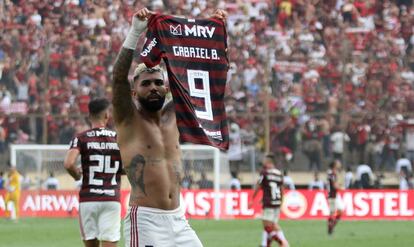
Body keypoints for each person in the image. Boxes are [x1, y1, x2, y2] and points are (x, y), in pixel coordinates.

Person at [111, 8, 227, 247]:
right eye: (146, 84)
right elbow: (117, 77)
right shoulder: (128, 119)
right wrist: (135, 32)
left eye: (157, 82)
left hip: (179, 218)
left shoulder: (175, 114)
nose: (153, 87)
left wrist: (214, 34)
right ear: (134, 91)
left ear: (166, 87)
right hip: (145, 221)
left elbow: (206, 71)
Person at [64, 98, 123, 247]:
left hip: (88, 199)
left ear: (89, 116)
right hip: (111, 199)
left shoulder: (81, 138)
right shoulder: (118, 138)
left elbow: (69, 163)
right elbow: (130, 167)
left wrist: (77, 175)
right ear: (107, 116)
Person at [251, 154, 289, 247]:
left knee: (267, 226)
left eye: (265, 161)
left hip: (268, 203)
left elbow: (258, 186)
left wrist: (252, 199)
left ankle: (282, 242)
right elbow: (281, 189)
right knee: (273, 225)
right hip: (277, 202)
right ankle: (266, 244)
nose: (263, 163)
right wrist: (281, 202)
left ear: (268, 163)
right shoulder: (279, 173)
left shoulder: (265, 173)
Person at [326, 160, 343, 235]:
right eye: (338, 163)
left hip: (334, 195)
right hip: (332, 196)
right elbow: (334, 186)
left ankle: (331, 227)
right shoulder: (332, 174)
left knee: (339, 211)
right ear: (335, 165)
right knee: (333, 213)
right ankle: (330, 228)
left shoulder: (333, 174)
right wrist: (340, 187)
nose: (340, 164)